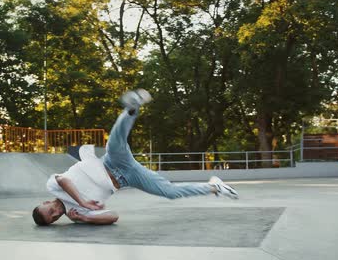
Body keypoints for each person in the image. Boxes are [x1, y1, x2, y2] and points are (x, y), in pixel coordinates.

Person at [32, 89, 239, 226]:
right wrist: (86, 218)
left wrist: (84, 202)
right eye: (52, 219)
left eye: (49, 211)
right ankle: (215, 187)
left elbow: (64, 180)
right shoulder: (75, 215)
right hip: (128, 178)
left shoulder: (53, 186)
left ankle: (131, 108)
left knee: (115, 143)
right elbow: (114, 216)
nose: (54, 214)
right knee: (169, 192)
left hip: (113, 162)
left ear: (45, 202)